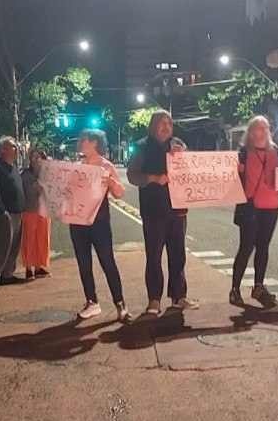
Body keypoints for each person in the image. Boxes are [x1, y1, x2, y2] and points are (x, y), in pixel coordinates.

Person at [127, 110, 195, 314]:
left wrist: (183, 156)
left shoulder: (178, 145)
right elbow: (132, 175)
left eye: (169, 123)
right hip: (153, 211)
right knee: (154, 256)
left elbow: (190, 170)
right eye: (161, 123)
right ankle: (154, 300)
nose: (166, 127)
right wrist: (154, 178)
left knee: (178, 256)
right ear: (153, 126)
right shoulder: (141, 147)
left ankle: (179, 296)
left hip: (178, 211)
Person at [231, 116, 278, 308]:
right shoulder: (243, 153)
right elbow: (228, 173)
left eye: (265, 128)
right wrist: (237, 170)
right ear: (250, 133)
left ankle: (258, 286)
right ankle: (235, 289)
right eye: (257, 129)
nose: (261, 132)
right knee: (246, 248)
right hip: (250, 208)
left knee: (263, 248)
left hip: (271, 207)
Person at [71, 130, 129, 322]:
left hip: (99, 222)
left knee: (107, 261)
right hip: (78, 222)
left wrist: (110, 180)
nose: (81, 142)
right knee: (83, 263)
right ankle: (91, 301)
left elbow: (119, 193)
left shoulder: (105, 165)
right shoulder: (77, 166)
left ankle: (120, 303)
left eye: (84, 140)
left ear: (94, 143)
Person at [0, 137, 25, 288]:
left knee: (14, 245)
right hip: (5, 213)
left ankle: (7, 274)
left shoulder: (13, 167)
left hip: (18, 211)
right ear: (3, 149)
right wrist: (1, 211)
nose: (16, 149)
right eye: (13, 147)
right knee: (3, 244)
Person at [20, 148, 52, 280]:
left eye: (39, 157)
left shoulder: (47, 175)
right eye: (33, 157)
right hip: (30, 210)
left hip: (44, 211)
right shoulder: (25, 175)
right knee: (29, 239)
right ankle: (29, 267)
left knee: (42, 239)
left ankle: (39, 266)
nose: (36, 160)